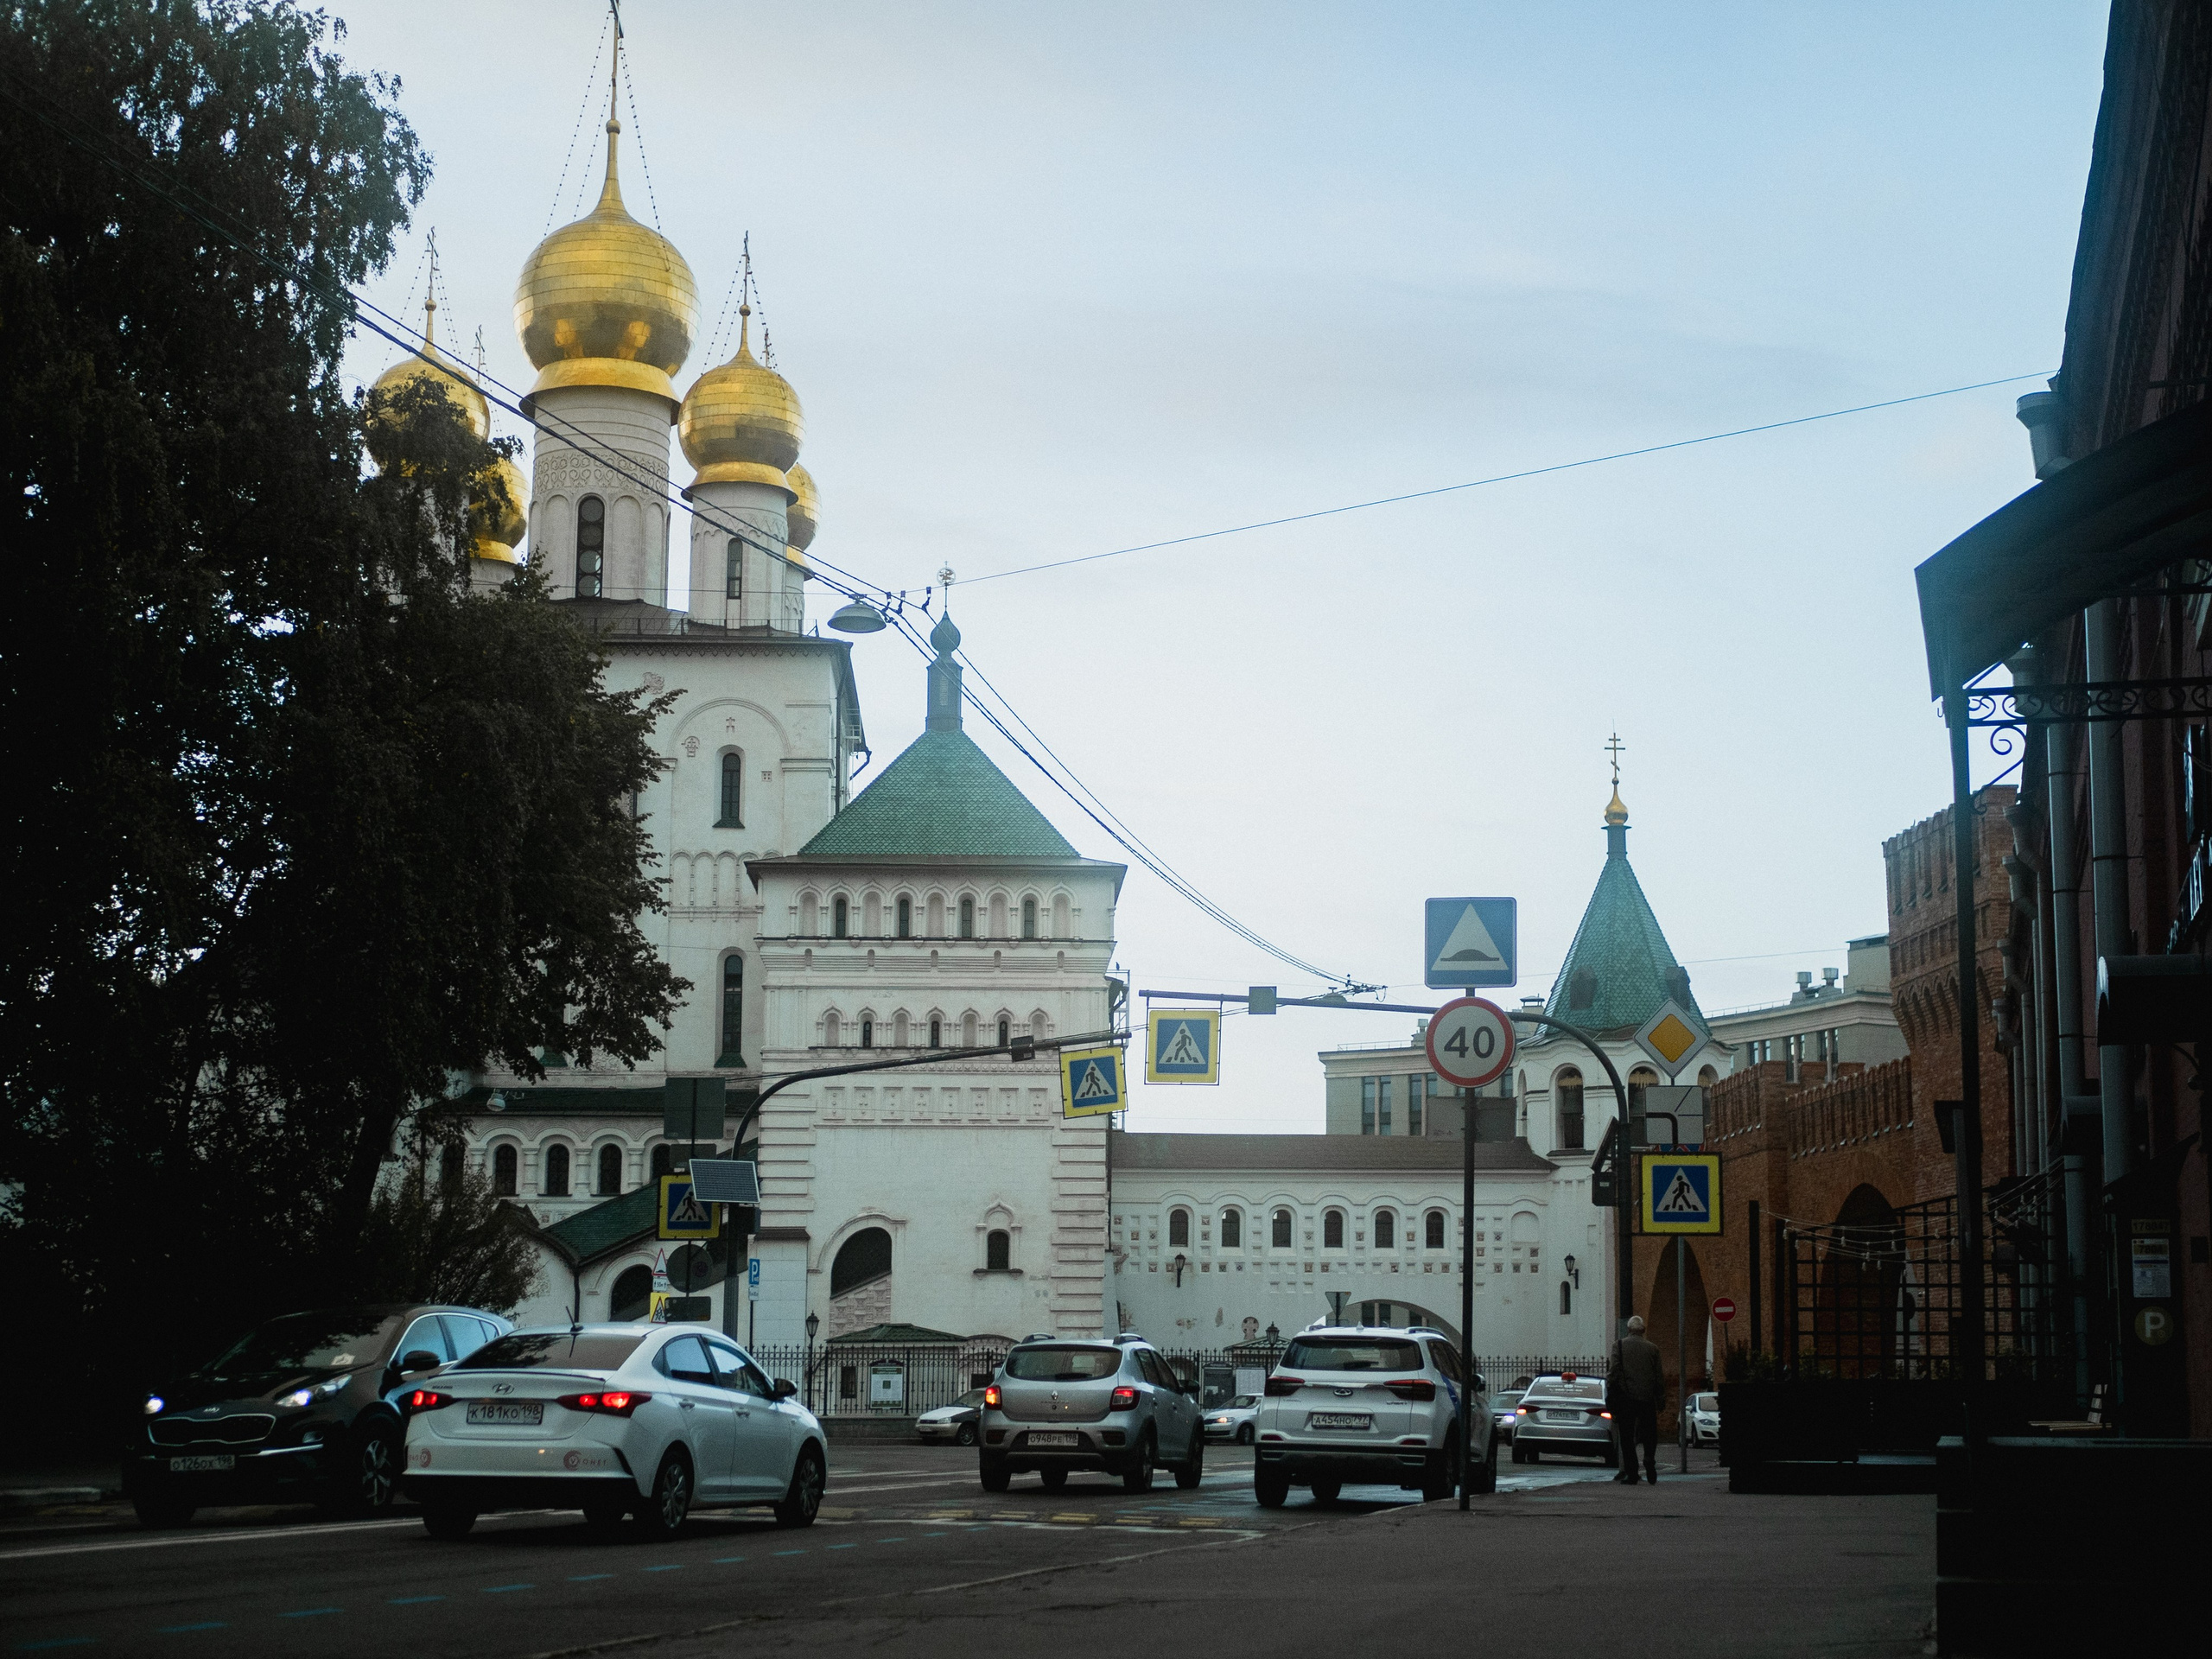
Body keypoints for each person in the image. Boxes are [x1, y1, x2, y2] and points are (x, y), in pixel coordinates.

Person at [1607, 1315, 1664, 1484]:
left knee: (1627, 1437)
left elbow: (1614, 1371)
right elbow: (1658, 1376)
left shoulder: (1619, 1346)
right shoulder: (1653, 1349)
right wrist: (1660, 1399)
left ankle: (1632, 1473)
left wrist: (1610, 1388)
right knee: (1649, 1434)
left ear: (1629, 1330)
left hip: (1626, 1399)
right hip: (1647, 1399)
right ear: (1643, 1331)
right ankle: (1649, 1458)